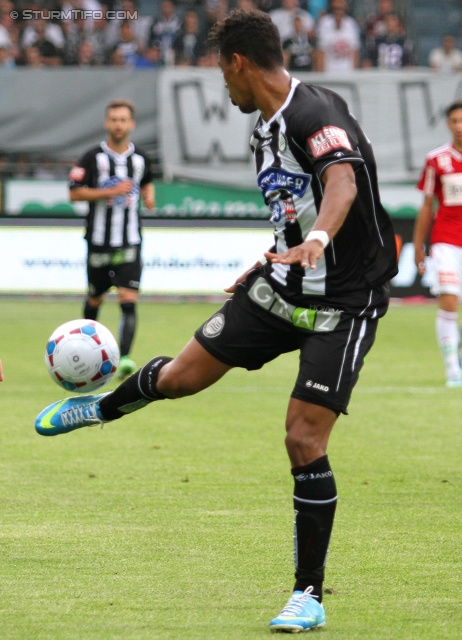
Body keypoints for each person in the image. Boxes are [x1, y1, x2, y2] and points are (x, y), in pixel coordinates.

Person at [35, 9, 398, 633]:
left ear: (238, 62)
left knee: (303, 438)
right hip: (281, 286)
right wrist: (275, 255)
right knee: (178, 377)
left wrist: (314, 240)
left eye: (220, 73)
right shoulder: (263, 129)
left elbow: (339, 184)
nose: (222, 88)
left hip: (343, 301)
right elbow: (296, 200)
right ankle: (98, 408)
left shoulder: (316, 113)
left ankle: (308, 596)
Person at [67, 99, 155, 379]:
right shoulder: (92, 157)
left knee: (128, 298)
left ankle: (126, 358)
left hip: (130, 241)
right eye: (114, 119)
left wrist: (149, 196)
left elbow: (148, 181)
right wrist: (111, 191)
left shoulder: (140, 158)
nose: (118, 124)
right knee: (95, 298)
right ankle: (80, 354)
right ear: (107, 123)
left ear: (132, 124)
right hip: (98, 242)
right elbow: (74, 192)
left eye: (123, 120)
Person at [413, 100, 462, 388]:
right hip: (446, 240)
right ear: (448, 124)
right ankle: (452, 369)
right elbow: (426, 206)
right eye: (455, 120)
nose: (460, 126)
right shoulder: (436, 159)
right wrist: (419, 247)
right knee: (448, 300)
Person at [315, 0, 361, 73]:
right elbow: (321, 52)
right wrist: (321, 75)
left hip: (347, 71)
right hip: (329, 71)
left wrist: (354, 73)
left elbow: (355, 52)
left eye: (340, 9)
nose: (338, 12)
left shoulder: (351, 24)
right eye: (336, 9)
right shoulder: (324, 23)